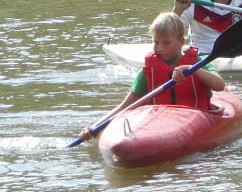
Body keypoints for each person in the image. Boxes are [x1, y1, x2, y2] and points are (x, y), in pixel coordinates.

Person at [77, 12, 225, 141]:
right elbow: (126, 105)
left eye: (166, 43)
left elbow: (219, 85)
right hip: (159, 124)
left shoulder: (197, 62)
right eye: (156, 42)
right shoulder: (148, 71)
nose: (159, 48)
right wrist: (94, 128)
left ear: (181, 41)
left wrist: (193, 70)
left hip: (195, 121)